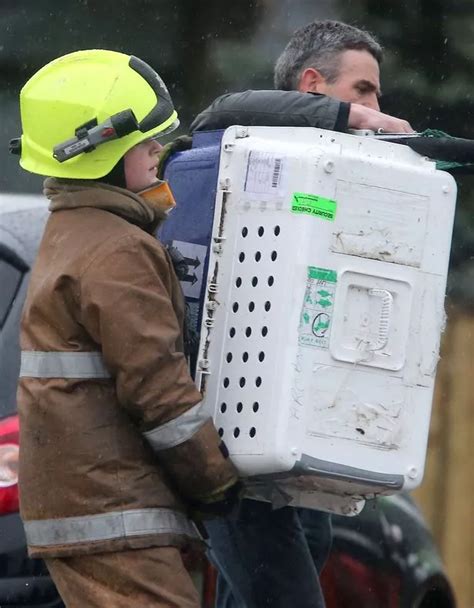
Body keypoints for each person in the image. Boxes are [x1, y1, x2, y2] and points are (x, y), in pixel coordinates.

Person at [189, 20, 414, 608]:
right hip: (231, 447)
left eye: (375, 95)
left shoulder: (333, 185)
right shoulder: (245, 147)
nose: (375, 105)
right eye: (363, 89)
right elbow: (219, 109)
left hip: (298, 452)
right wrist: (354, 119)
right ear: (313, 85)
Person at [12, 49, 241, 608]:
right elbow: (157, 389)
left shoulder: (75, 229)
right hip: (113, 509)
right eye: (147, 142)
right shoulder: (118, 248)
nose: (159, 150)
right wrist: (216, 482)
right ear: (102, 152)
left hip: (90, 503)